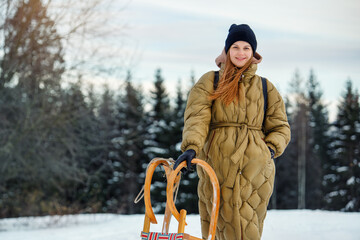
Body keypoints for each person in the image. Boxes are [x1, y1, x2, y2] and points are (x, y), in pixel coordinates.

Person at [173, 24, 291, 240]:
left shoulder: (266, 87)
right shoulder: (210, 81)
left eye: (246, 48)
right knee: (219, 224)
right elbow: (197, 118)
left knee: (250, 228)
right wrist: (191, 147)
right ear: (227, 50)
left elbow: (280, 126)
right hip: (217, 162)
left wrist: (269, 151)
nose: (241, 52)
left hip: (256, 169)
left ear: (253, 52)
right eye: (235, 47)